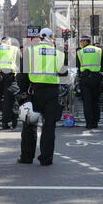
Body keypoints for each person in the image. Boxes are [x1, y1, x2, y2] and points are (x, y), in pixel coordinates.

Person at [17, 28, 67, 166]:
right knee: (49, 126)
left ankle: (26, 157)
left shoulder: (30, 51)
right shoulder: (59, 53)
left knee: (29, 124)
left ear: (39, 37)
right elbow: (64, 74)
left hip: (34, 92)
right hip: (52, 93)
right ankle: (46, 159)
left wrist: (24, 90)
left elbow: (22, 75)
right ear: (52, 38)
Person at [0, 36, 21, 130]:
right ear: (9, 43)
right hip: (10, 76)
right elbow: (20, 63)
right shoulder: (15, 50)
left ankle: (6, 120)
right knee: (9, 99)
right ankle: (12, 115)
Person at [77, 35, 103, 129]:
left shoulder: (80, 52)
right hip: (96, 78)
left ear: (86, 42)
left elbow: (78, 66)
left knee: (87, 102)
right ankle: (95, 122)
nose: (81, 44)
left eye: (82, 42)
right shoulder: (98, 50)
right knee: (95, 101)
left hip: (85, 78)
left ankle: (89, 123)